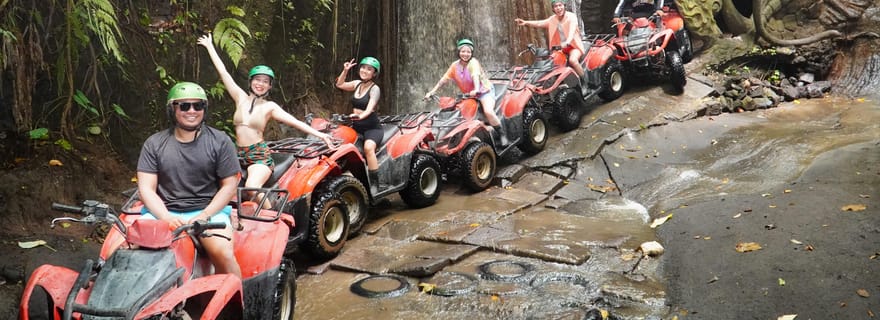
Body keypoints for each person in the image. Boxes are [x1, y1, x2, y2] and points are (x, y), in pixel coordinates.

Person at [197, 33, 334, 196]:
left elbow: (296, 122)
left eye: (265, 82)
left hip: (258, 155)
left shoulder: (270, 107)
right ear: (250, 81)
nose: (260, 84)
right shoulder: (239, 97)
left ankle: (270, 213)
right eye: (257, 80)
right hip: (237, 153)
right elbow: (224, 72)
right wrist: (210, 46)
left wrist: (321, 135)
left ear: (269, 87)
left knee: (251, 188)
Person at [137, 81, 242, 278]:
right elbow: (146, 188)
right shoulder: (154, 144)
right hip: (163, 212)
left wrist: (204, 214)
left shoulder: (220, 141)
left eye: (198, 105)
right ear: (172, 109)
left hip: (208, 212)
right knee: (121, 251)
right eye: (184, 106)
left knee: (223, 254)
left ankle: (238, 304)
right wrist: (166, 217)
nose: (192, 111)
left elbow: (229, 185)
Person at [424, 38, 508, 146]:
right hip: (468, 95)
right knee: (459, 114)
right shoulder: (455, 66)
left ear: (471, 53)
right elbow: (443, 80)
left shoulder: (473, 63)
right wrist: (431, 92)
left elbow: (475, 76)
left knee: (488, 112)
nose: (466, 54)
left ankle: (502, 135)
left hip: (483, 92)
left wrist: (477, 89)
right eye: (463, 51)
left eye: (468, 51)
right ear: (459, 52)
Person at [515, 0, 587, 93]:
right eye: (555, 6)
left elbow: (572, 30)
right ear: (553, 9)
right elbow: (539, 23)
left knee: (573, 60)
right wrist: (525, 22)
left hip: (573, 46)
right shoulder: (552, 19)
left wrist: (568, 41)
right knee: (551, 63)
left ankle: (584, 81)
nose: (558, 8)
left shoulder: (571, 17)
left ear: (564, 6)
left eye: (560, 5)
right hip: (559, 48)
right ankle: (555, 85)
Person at [335, 57, 383, 192]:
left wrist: (360, 116)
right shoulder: (357, 84)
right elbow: (340, 84)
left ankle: (375, 185)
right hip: (356, 127)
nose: (365, 71)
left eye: (369, 69)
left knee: (368, 148)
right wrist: (345, 70)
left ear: (374, 73)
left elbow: (369, 108)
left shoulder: (375, 89)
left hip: (372, 128)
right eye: (363, 67)